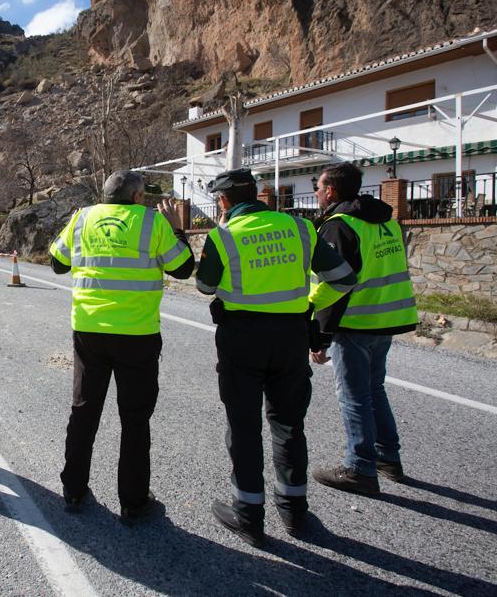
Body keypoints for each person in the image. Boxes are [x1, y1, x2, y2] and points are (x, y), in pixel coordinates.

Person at [195, 168, 357, 547]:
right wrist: (310, 307)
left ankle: (249, 516)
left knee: (244, 426)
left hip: (241, 339)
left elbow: (204, 286)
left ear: (223, 201)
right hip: (290, 337)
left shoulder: (224, 236)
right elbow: (343, 278)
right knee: (288, 424)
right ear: (257, 194)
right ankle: (294, 510)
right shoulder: (299, 228)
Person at [49, 170, 194, 524]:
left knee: (83, 410)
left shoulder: (82, 218)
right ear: (138, 197)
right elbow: (185, 268)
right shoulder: (151, 223)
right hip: (137, 335)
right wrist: (177, 229)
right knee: (134, 419)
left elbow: (56, 263)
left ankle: (73, 490)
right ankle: (132, 502)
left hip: (89, 331)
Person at [309, 163, 418, 495]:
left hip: (355, 322)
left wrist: (317, 331)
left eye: (319, 186)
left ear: (331, 191)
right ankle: (388, 458)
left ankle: (360, 469)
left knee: (353, 395)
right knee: (374, 390)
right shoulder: (386, 221)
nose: (315, 191)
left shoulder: (339, 226)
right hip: (387, 319)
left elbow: (336, 284)